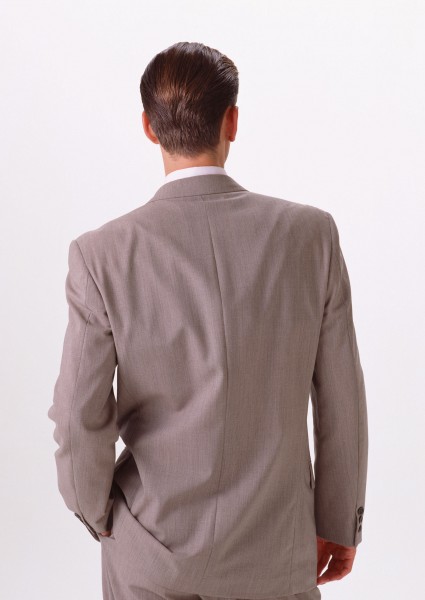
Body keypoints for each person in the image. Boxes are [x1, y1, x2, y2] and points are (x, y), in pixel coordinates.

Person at [47, 41, 368, 600]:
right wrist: (339, 523)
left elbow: (79, 415)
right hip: (277, 551)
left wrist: (96, 513)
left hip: (151, 552)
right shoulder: (311, 236)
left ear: (149, 127)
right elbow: (342, 402)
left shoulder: (101, 255)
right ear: (232, 121)